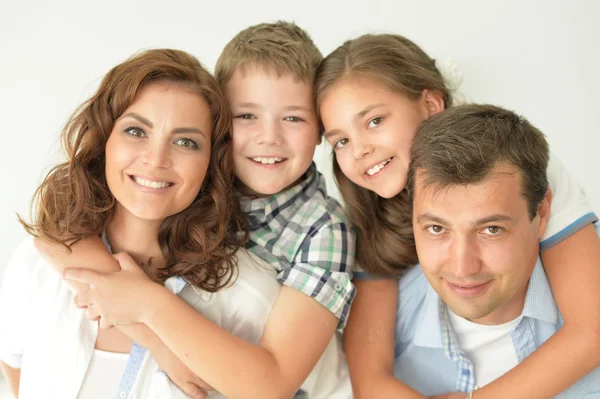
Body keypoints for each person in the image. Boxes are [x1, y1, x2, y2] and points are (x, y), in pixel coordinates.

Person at [36, 21, 354, 398]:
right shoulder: (188, 182)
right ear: (219, 126)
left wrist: (149, 304)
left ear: (321, 128)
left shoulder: (325, 230)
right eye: (246, 116)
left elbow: (273, 382)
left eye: (294, 118)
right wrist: (151, 336)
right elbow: (56, 227)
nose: (269, 136)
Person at [315, 33, 600, 398]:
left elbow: (589, 332)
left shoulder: (513, 163)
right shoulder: (363, 208)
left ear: (431, 105)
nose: (359, 151)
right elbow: (371, 377)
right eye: (340, 140)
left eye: (374, 122)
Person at [0, 48, 282, 399]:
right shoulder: (37, 263)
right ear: (104, 140)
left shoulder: (247, 293)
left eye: (185, 142)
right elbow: (13, 364)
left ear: (211, 163)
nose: (156, 159)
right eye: (136, 131)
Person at [396, 103, 600, 397]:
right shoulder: (389, 333)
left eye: (491, 229)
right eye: (437, 229)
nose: (462, 268)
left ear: (541, 212)